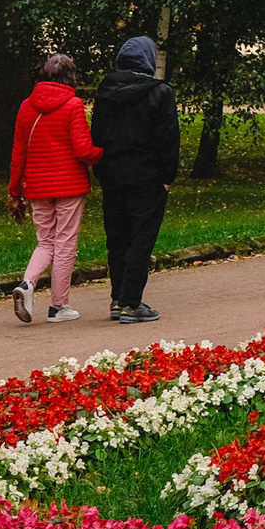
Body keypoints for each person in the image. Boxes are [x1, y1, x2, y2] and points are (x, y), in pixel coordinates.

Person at [91, 36, 180, 324]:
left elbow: (97, 133)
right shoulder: (160, 92)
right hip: (147, 175)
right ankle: (132, 301)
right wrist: (167, 176)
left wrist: (101, 169)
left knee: (117, 237)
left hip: (113, 173)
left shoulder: (105, 91)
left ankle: (118, 298)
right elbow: (168, 137)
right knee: (142, 236)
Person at [8, 52, 99, 324]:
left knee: (45, 242)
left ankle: (27, 284)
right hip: (69, 184)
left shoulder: (26, 106)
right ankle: (58, 306)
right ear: (70, 76)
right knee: (65, 243)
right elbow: (83, 149)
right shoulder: (73, 105)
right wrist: (102, 154)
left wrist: (15, 189)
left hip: (37, 186)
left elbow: (18, 152)